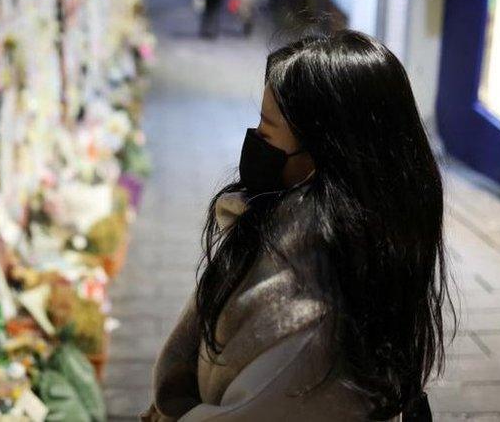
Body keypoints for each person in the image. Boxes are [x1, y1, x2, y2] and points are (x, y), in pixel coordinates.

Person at [142, 31, 451, 421]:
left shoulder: (306, 327)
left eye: (267, 128)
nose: (256, 139)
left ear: (326, 154)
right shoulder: (351, 245)